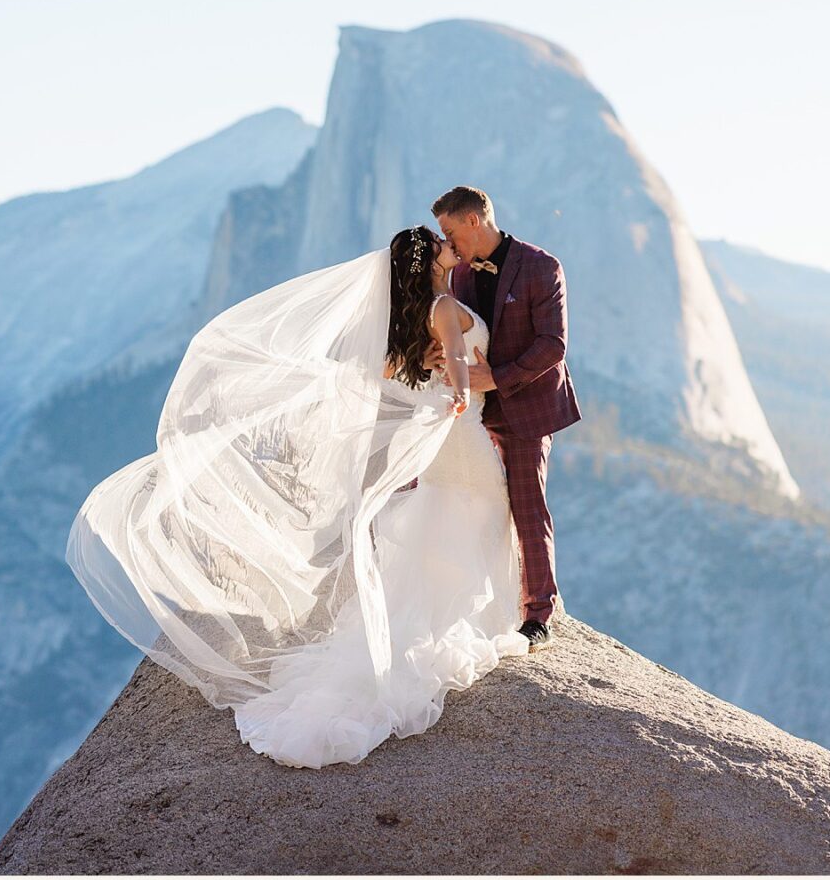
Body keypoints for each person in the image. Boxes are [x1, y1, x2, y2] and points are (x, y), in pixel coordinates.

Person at [65, 224, 532, 769]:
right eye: (446, 247)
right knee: (485, 511)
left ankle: (439, 617)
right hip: (461, 430)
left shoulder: (411, 317)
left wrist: (431, 374)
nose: (454, 249)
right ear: (431, 261)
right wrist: (463, 389)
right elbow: (456, 359)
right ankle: (481, 615)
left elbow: (390, 370)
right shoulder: (447, 307)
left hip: (441, 441)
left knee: (443, 515)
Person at [431, 185, 582, 649]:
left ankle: (538, 614)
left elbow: (552, 346)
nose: (448, 241)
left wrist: (494, 378)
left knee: (526, 505)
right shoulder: (456, 277)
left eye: (450, 230)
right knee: (468, 502)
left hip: (526, 408)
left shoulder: (541, 266)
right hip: (471, 414)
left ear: (474, 221)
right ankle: (477, 601)